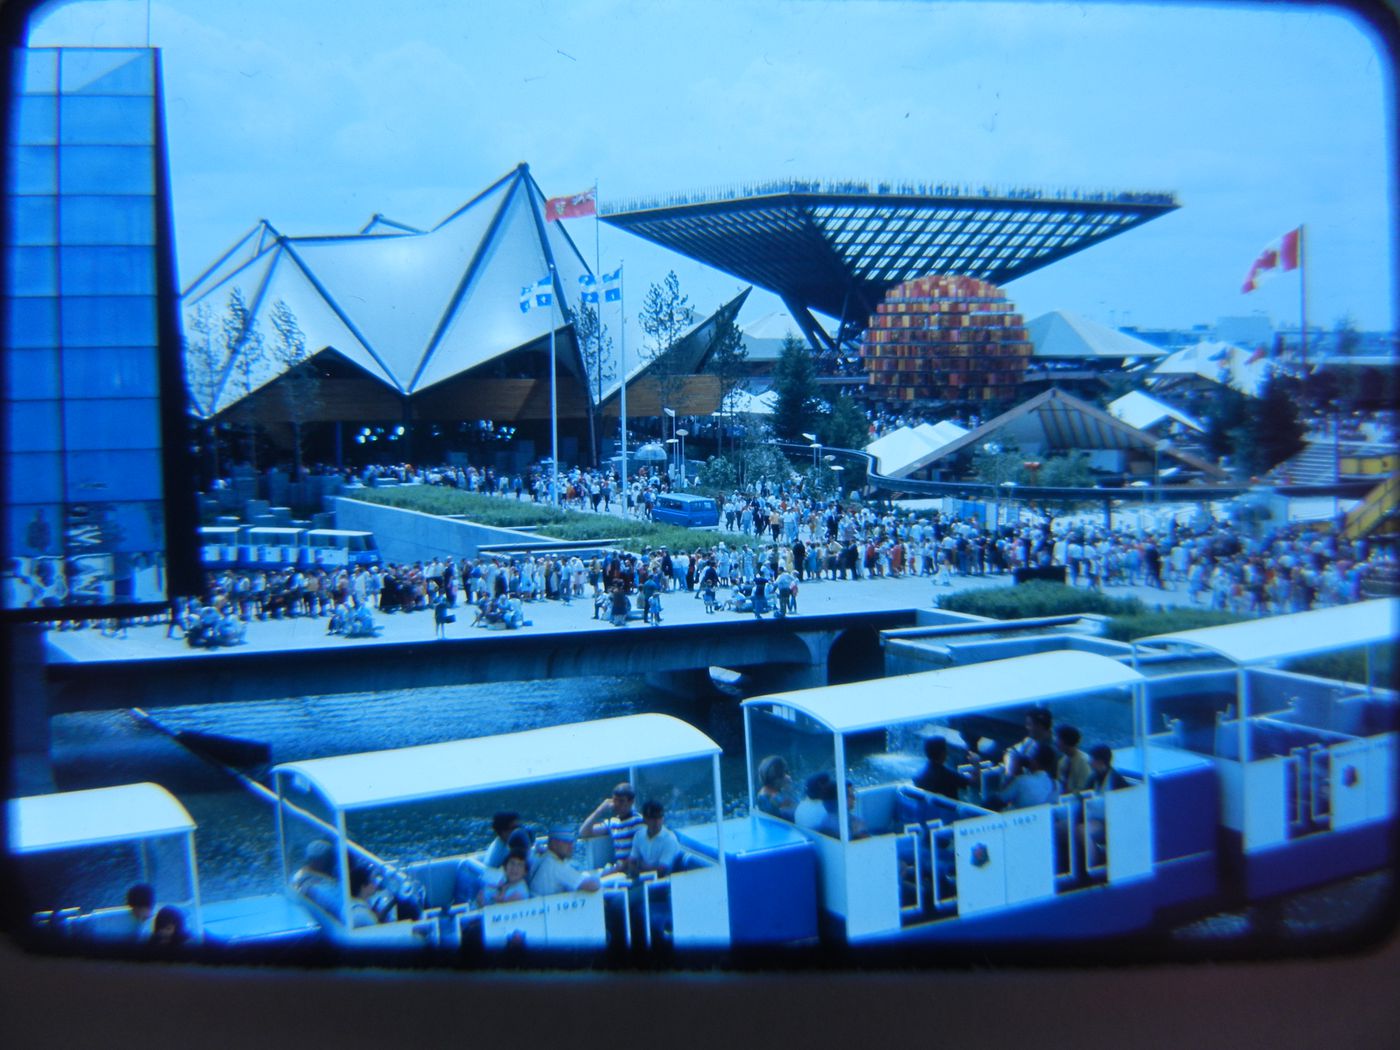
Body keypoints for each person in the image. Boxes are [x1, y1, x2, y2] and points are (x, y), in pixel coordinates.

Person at [579, 782, 644, 870]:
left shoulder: (639, 822)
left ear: (631, 802)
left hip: (632, 869)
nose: (617, 805)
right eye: (615, 800)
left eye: (621, 801)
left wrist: (616, 869)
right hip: (618, 869)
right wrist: (600, 810)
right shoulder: (613, 822)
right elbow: (584, 832)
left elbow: (642, 854)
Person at [528, 827, 601, 895]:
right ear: (554, 843)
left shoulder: (543, 856)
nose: (571, 846)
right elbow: (592, 886)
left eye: (571, 842)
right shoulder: (556, 865)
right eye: (566, 842)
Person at [990, 741, 1058, 810]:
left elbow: (999, 800)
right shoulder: (1056, 785)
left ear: (1034, 761)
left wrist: (1011, 772)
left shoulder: (1022, 781)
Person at [628, 800, 681, 878]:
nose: (656, 821)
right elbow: (632, 862)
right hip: (641, 880)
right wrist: (640, 871)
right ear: (644, 819)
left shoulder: (670, 839)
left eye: (659, 817)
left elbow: (661, 872)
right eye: (652, 818)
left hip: (665, 883)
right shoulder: (639, 836)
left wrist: (640, 869)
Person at [291, 839, 341, 914]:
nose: (332, 862)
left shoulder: (300, 873)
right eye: (329, 858)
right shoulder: (318, 885)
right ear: (318, 862)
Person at [755, 755, 800, 820]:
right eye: (784, 773)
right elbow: (796, 812)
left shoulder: (762, 792)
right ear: (777, 778)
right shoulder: (778, 798)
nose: (788, 776)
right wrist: (788, 791)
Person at [1055, 725, 1094, 794]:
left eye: (1058, 739)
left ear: (1065, 741)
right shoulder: (1062, 761)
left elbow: (1084, 788)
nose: (1056, 742)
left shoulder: (1084, 762)